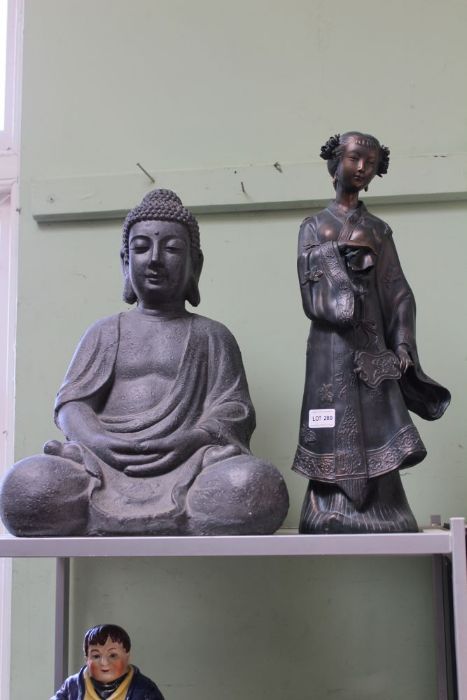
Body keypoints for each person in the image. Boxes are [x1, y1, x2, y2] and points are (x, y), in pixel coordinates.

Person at [1, 189, 288, 536]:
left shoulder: (212, 336)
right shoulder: (106, 332)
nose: (154, 259)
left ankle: (189, 507)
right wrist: (98, 440)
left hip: (189, 463)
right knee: (25, 487)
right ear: (125, 262)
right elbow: (72, 404)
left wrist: (192, 438)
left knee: (255, 486)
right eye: (140, 248)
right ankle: (122, 507)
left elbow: (235, 409)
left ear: (195, 264)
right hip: (102, 465)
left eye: (171, 249)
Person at [292, 132, 450, 533]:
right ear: (336, 162)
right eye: (354, 158)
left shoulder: (378, 231)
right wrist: (335, 259)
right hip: (329, 346)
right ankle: (325, 502)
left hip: (369, 345)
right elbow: (309, 281)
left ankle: (384, 504)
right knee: (329, 421)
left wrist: (401, 344)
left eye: (371, 162)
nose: (362, 168)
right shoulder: (313, 226)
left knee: (377, 420)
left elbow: (397, 291)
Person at [51, 623, 165, 699]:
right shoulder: (73, 686)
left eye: (113, 655)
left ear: (127, 656)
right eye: (96, 656)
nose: (104, 662)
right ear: (86, 658)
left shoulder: (143, 688)